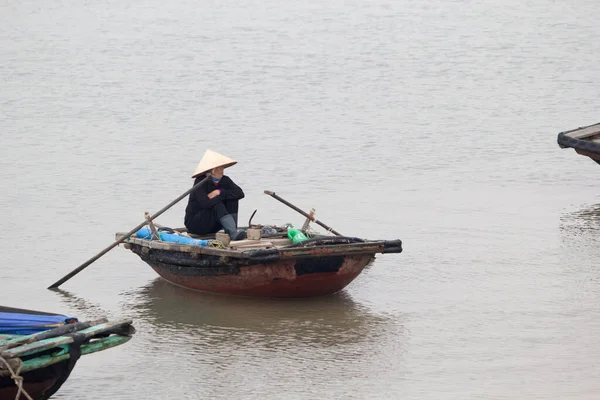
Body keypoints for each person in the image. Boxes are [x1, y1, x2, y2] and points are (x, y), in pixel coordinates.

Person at [184, 150, 247, 240]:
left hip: (214, 225)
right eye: (220, 169)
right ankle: (233, 234)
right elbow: (206, 203)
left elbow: (240, 193)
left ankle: (232, 231)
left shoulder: (225, 180)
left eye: (223, 168)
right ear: (212, 170)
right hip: (196, 224)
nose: (222, 171)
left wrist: (220, 192)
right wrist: (219, 197)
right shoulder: (200, 182)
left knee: (232, 200)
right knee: (217, 204)